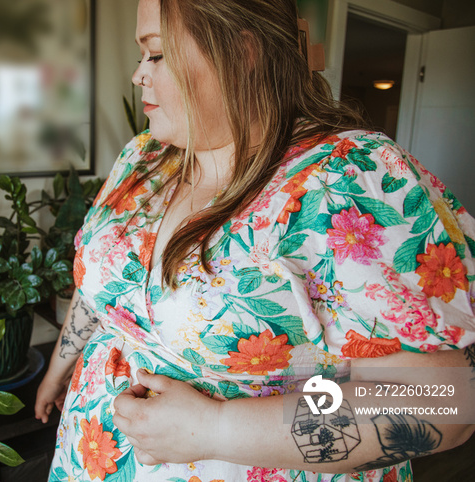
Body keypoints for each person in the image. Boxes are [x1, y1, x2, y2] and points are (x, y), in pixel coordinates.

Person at [35, 0, 475, 480]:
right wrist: (61, 366)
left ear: (242, 52)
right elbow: (105, 275)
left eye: (156, 54)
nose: (140, 74)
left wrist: (216, 428)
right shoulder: (144, 160)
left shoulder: (345, 180)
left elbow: (446, 402)